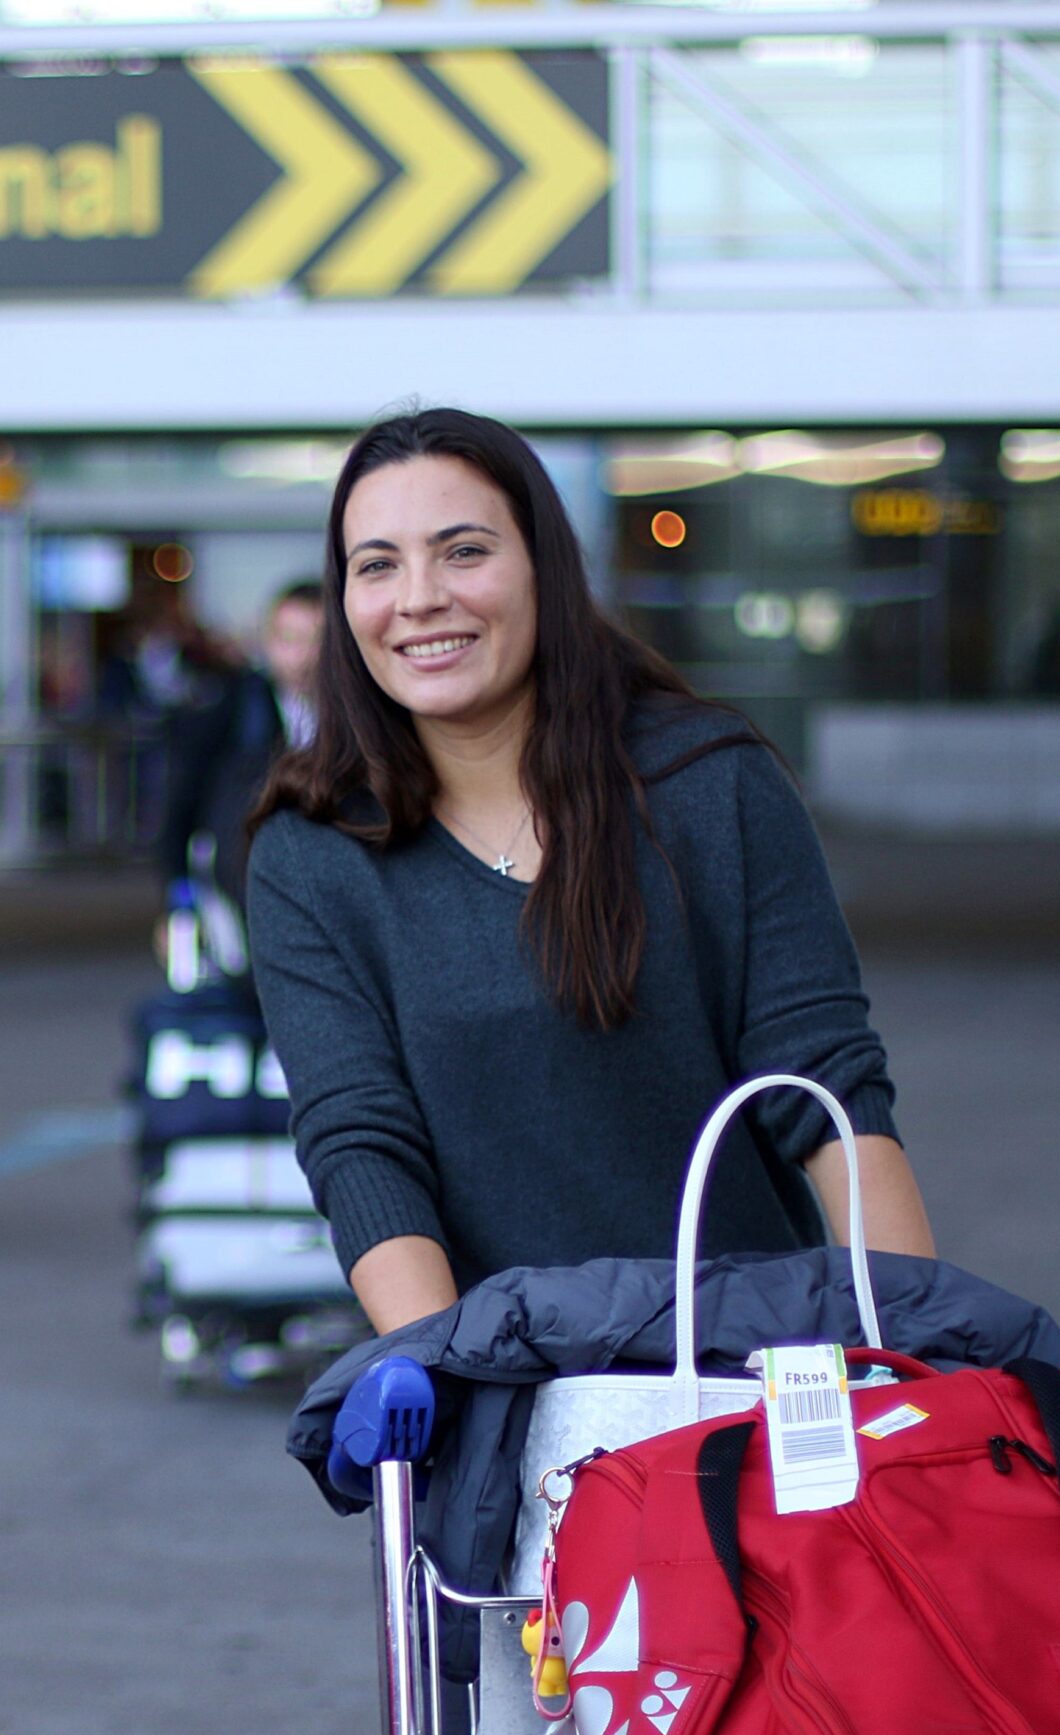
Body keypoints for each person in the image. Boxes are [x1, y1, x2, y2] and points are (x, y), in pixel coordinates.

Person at [248, 409, 934, 1337]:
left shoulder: (711, 783)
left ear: (544, 567)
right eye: (377, 565)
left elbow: (825, 1088)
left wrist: (914, 1358)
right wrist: (453, 1380)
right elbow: (362, 1146)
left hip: (749, 1371)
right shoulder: (313, 848)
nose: (417, 598)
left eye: (463, 552)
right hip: (509, 1382)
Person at [156, 579, 321, 906]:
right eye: (290, 640)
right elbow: (182, 803)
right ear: (268, 642)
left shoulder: (360, 716)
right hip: (245, 887)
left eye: (318, 641)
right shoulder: (232, 711)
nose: (304, 656)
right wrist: (178, 895)